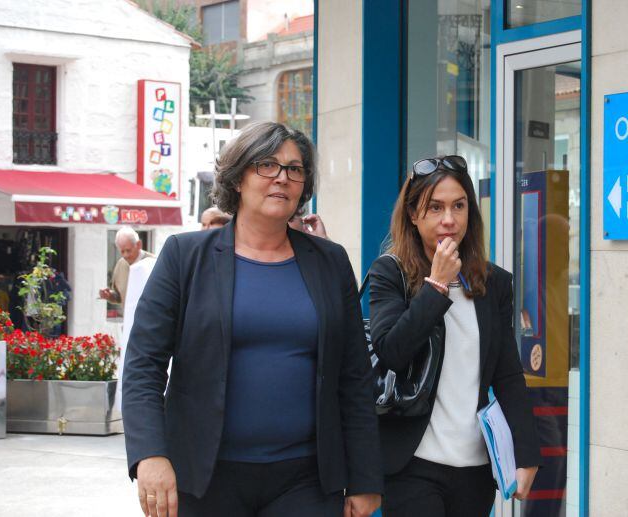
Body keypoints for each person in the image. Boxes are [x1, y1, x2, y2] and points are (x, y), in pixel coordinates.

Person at [122, 121, 383, 517]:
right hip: (204, 478)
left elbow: (355, 376)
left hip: (307, 479)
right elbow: (144, 365)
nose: (282, 178)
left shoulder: (329, 262)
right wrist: (150, 455)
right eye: (267, 165)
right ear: (238, 177)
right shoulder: (184, 256)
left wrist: (365, 478)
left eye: (295, 169)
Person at [368, 155, 542, 516]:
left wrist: (526, 453)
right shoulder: (391, 272)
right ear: (414, 215)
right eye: (435, 207)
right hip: (412, 464)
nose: (449, 219)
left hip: (476, 469)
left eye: (458, 206)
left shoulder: (493, 283)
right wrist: (436, 286)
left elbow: (508, 374)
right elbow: (392, 352)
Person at [99, 227, 155, 308]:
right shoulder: (120, 265)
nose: (126, 255)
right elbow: (119, 297)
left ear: (139, 245)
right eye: (122, 251)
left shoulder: (155, 264)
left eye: (128, 250)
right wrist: (109, 295)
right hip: (129, 319)